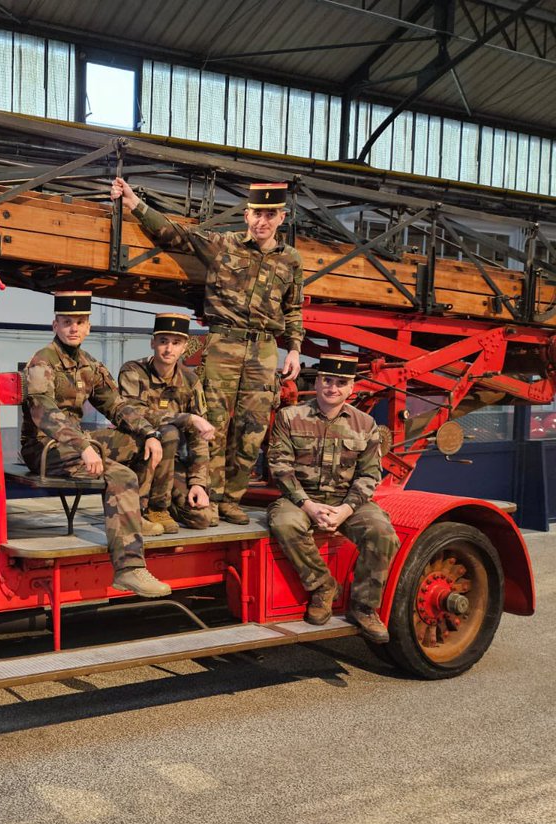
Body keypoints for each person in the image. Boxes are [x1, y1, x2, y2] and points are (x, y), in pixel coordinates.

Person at [111, 177, 303, 527]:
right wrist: (135, 204)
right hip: (224, 343)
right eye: (257, 213)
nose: (262, 221)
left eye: (270, 214)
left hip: (264, 349)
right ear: (246, 215)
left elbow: (293, 308)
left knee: (252, 429)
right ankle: (209, 497)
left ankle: (231, 499)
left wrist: (294, 349)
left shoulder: (290, 259)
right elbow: (177, 235)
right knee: (214, 423)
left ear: (281, 217)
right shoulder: (223, 245)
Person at [22, 290, 171, 598]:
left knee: (140, 443)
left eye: (79, 322)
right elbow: (44, 413)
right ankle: (129, 569)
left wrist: (149, 433)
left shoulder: (88, 364)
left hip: (79, 443)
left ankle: (133, 516)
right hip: (45, 448)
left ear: (88, 327)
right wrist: (83, 446)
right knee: (122, 476)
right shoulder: (42, 363)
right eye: (67, 322)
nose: (73, 328)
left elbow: (115, 404)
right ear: (55, 325)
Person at [265, 354, 399, 643]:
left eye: (341, 383)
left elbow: (369, 475)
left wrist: (345, 510)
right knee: (284, 523)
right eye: (327, 380)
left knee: (383, 533)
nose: (333, 388)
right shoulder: (290, 417)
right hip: (301, 498)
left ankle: (364, 606)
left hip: (347, 500)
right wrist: (308, 506)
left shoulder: (365, 424)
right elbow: (280, 466)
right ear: (317, 382)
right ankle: (323, 586)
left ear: (351, 388)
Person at [117, 312, 214, 533]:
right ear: (153, 343)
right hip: (138, 455)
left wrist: (198, 483)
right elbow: (132, 411)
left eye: (176, 343)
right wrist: (187, 418)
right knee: (169, 432)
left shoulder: (190, 381)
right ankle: (153, 508)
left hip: (170, 464)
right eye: (163, 341)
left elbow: (199, 438)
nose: (169, 349)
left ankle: (165, 503)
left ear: (184, 347)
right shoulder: (133, 371)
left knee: (202, 518)